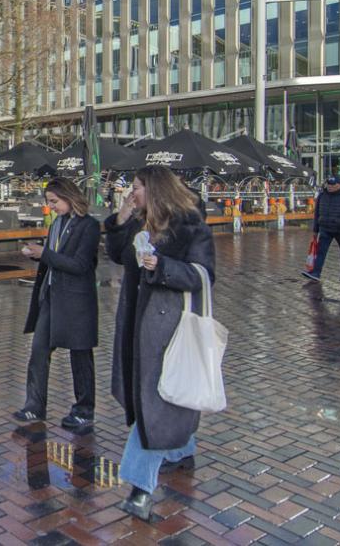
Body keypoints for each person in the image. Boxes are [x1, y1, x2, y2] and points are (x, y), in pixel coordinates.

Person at [104, 166, 216, 521]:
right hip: (138, 323)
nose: (131, 193)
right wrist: (120, 219)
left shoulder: (188, 224)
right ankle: (182, 448)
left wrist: (161, 265)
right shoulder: (142, 222)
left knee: (154, 404)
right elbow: (118, 256)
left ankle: (139, 489)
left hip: (166, 330)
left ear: (154, 189)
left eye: (135, 187)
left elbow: (203, 276)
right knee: (167, 401)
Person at [15, 177, 101, 433]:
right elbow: (53, 259)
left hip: (77, 301)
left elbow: (81, 265)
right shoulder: (57, 224)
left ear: (68, 196)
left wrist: (45, 254)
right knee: (39, 352)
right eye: (48, 202)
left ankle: (85, 410)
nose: (51, 207)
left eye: (54, 201)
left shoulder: (89, 226)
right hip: (51, 296)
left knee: (80, 355)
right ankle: (34, 405)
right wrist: (37, 256)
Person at [302, 175, 340, 282]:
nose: (330, 187)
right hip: (325, 228)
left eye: (333, 185)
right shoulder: (322, 196)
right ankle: (316, 272)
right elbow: (317, 213)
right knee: (321, 252)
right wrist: (315, 229)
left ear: (339, 185)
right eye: (329, 184)